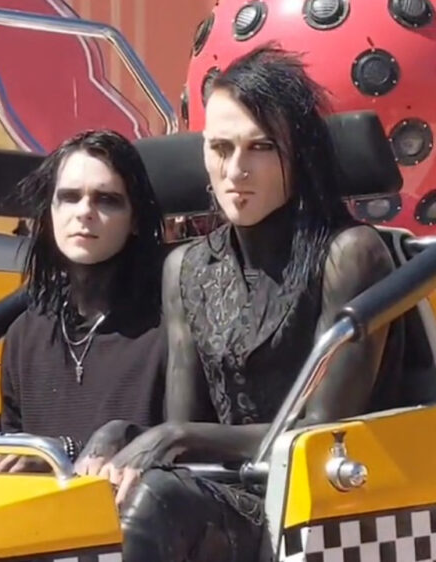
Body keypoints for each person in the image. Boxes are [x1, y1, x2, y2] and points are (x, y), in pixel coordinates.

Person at [77, 45, 405, 561]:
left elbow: (320, 437)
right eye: (220, 147)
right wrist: (123, 433)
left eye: (261, 147)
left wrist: (176, 436)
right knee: (94, 499)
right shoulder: (185, 268)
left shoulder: (350, 254)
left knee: (153, 504)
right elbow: (186, 430)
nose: (235, 170)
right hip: (225, 496)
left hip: (329, 510)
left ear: (298, 153)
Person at [0, 130, 168, 473]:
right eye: (69, 197)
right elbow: (13, 439)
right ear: (49, 212)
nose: (84, 212)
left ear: (135, 219)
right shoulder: (24, 334)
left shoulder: (168, 331)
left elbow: (184, 447)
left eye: (106, 199)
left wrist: (64, 450)